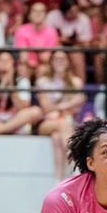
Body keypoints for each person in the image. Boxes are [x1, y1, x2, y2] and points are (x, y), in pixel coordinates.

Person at [36, 49, 87, 181]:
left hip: (68, 122)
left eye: (62, 59)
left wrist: (58, 107)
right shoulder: (43, 82)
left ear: (68, 62)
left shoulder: (76, 82)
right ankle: (75, 161)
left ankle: (59, 180)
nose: (59, 62)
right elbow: (45, 107)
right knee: (62, 123)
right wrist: (66, 105)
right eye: (56, 59)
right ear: (51, 62)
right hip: (47, 123)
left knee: (56, 137)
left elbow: (79, 104)